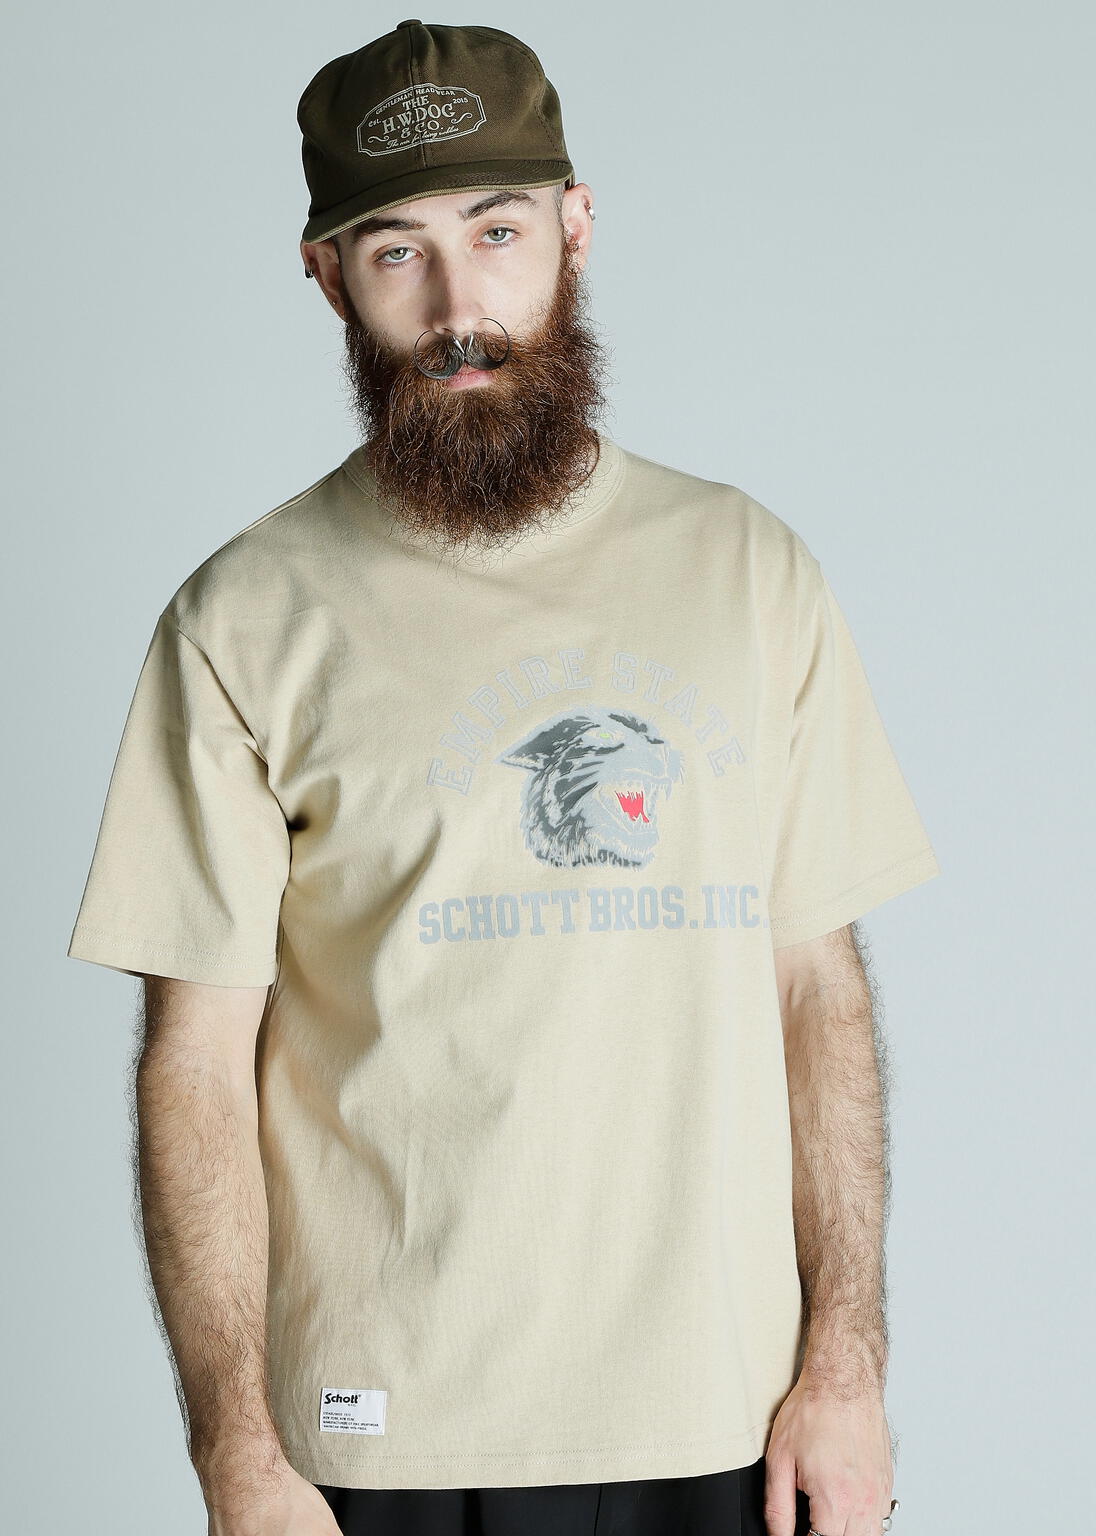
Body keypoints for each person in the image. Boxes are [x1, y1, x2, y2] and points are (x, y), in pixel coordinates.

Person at [65, 20, 933, 1536]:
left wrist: (846, 1368)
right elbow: (194, 1066)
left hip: (726, 1420)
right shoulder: (245, 618)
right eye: (397, 250)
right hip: (378, 1444)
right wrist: (238, 1454)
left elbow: (817, 991)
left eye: (498, 230)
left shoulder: (750, 574)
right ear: (327, 276)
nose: (460, 307)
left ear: (576, 227)